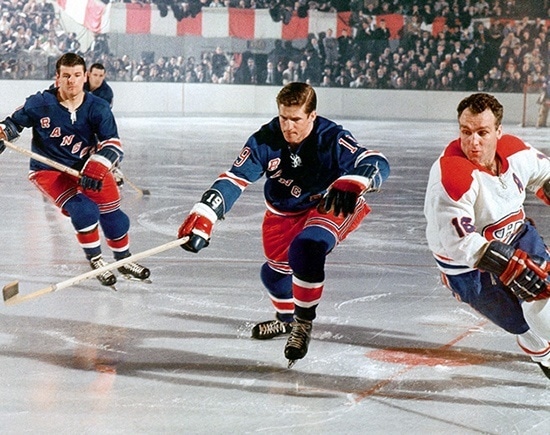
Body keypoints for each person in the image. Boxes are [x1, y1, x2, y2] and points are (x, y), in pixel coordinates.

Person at [177, 82, 390, 367]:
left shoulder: (332, 137)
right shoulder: (266, 138)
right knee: (274, 276)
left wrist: (355, 181)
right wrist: (206, 214)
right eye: (283, 118)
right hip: (283, 212)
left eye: (296, 119)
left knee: (306, 249)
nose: (288, 127)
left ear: (312, 116)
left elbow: (375, 160)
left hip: (328, 204)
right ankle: (286, 320)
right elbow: (235, 178)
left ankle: (302, 324)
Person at [424, 92, 550, 379]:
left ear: (498, 131)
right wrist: (510, 266)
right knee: (520, 324)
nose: (473, 142)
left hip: (517, 235)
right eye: (466, 132)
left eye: (482, 132)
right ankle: (546, 359)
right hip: (468, 267)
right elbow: (458, 241)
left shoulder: (515, 150)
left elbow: (544, 175)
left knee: (543, 298)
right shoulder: (452, 174)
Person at [0, 53, 150, 288]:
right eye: (66, 76)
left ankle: (123, 259)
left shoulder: (98, 107)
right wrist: (3, 133)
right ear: (57, 78)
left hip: (87, 168)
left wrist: (99, 165)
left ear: (85, 77)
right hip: (49, 170)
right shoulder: (40, 103)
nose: (72, 81)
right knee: (85, 211)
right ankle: (96, 260)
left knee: (115, 217)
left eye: (77, 75)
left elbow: (113, 144)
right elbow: (12, 123)